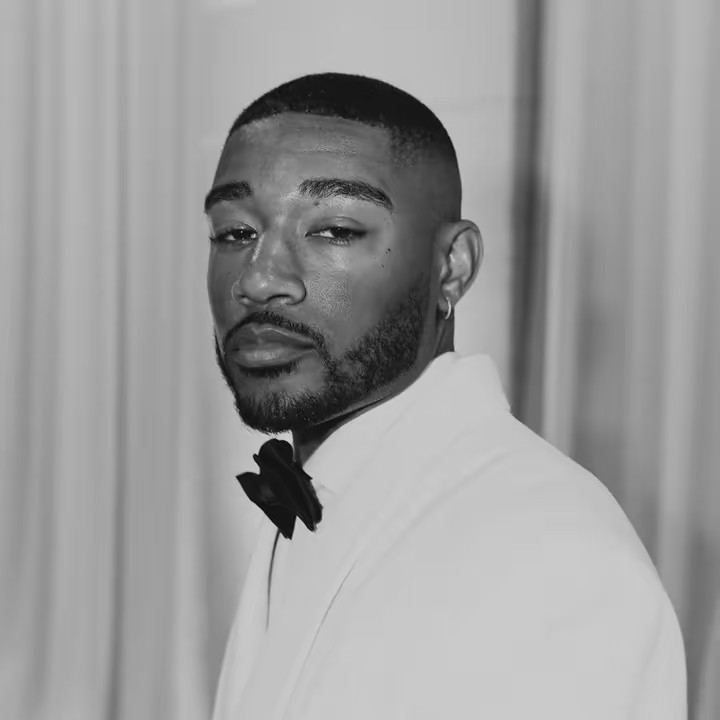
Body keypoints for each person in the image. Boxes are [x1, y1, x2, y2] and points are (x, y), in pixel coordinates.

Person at [205, 73, 686, 719]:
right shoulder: (309, 502)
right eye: (235, 232)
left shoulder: (558, 560)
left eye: (335, 229)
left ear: (452, 267)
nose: (260, 279)